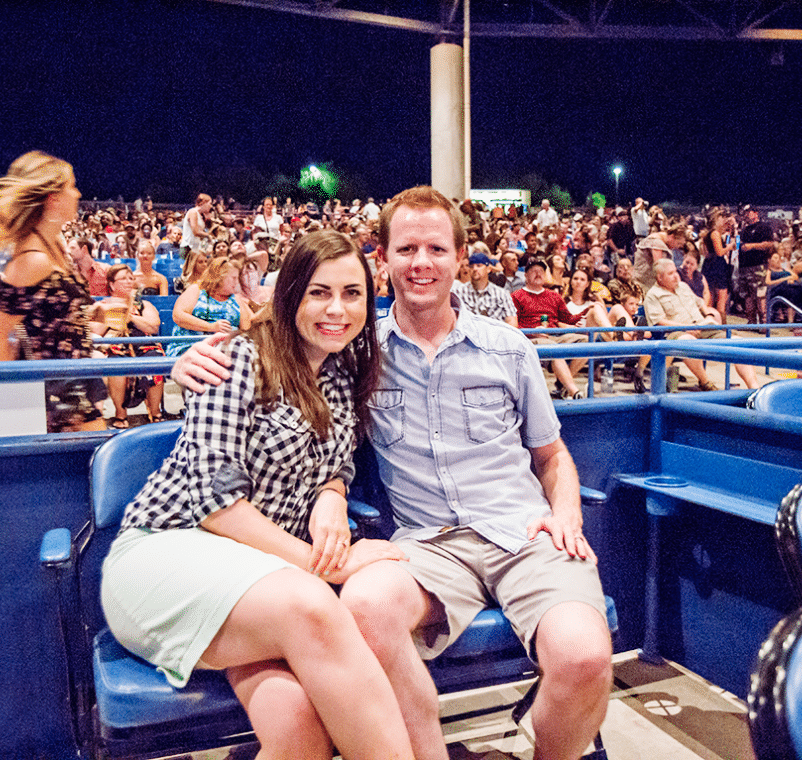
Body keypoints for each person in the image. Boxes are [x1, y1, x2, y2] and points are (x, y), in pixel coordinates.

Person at [171, 187, 612, 760]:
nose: (421, 263)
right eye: (406, 249)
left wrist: (567, 514)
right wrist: (188, 363)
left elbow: (551, 456)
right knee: (364, 606)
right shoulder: (357, 351)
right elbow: (281, 355)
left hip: (523, 535)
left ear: (459, 256)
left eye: (435, 248)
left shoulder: (508, 348)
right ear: (384, 259)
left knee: (583, 659)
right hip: (426, 547)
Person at [100, 230, 414, 760]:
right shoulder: (236, 361)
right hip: (170, 552)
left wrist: (332, 497)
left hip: (259, 578)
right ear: (290, 294)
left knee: (299, 728)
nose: (337, 308)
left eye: (352, 293)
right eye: (319, 292)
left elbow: (335, 460)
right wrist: (325, 565)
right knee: (315, 606)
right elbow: (217, 503)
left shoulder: (338, 374)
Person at [0, 151, 108, 433]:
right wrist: (14, 396)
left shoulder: (56, 242)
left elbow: (48, 311)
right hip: (56, 397)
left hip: (75, 381)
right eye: (71, 186)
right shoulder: (34, 259)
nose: (78, 193)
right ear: (53, 198)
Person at [644, 259, 758, 391]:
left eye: (675, 271)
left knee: (740, 343)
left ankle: (754, 389)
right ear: (659, 277)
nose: (676, 276)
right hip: (677, 333)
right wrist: (685, 328)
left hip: (703, 327)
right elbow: (659, 321)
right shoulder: (653, 295)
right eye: (670, 273)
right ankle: (705, 382)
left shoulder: (683, 287)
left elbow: (699, 302)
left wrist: (708, 314)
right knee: (687, 342)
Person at [90, 265, 165, 428]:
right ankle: (121, 413)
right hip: (118, 346)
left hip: (144, 346)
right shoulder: (103, 306)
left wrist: (129, 316)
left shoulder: (143, 305)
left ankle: (155, 411)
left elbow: (153, 327)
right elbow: (95, 331)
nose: (129, 281)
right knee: (116, 362)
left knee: (155, 357)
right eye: (123, 278)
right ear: (111, 284)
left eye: (131, 278)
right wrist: (111, 314)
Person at [513, 259, 593, 400]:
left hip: (554, 334)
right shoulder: (516, 296)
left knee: (587, 342)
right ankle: (574, 391)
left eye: (541, 271)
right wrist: (532, 331)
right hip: (531, 337)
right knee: (552, 347)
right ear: (525, 275)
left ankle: (561, 385)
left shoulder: (553, 296)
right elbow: (512, 325)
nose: (538, 274)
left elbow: (568, 319)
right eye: (533, 271)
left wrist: (587, 310)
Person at [167, 255, 251, 357]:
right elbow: (178, 316)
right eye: (233, 278)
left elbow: (247, 330)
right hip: (191, 346)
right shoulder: (197, 290)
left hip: (226, 349)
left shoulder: (237, 299)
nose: (237, 282)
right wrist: (211, 327)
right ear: (219, 277)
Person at [453, 251, 517, 326]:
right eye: (471, 266)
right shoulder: (458, 292)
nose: (474, 269)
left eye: (479, 265)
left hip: (495, 335)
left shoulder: (502, 294)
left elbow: (512, 322)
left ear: (489, 269)